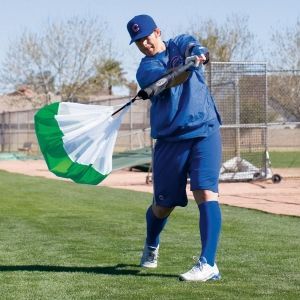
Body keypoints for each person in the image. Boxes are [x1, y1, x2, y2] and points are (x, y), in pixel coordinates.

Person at [127, 14, 222, 282]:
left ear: (157, 32)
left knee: (205, 191)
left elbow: (193, 46)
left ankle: (208, 263)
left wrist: (198, 54)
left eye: (147, 37)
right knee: (162, 206)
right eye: (138, 42)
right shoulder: (145, 70)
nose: (145, 44)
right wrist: (186, 68)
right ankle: (152, 243)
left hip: (204, 129)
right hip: (170, 139)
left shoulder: (180, 44)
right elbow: (172, 80)